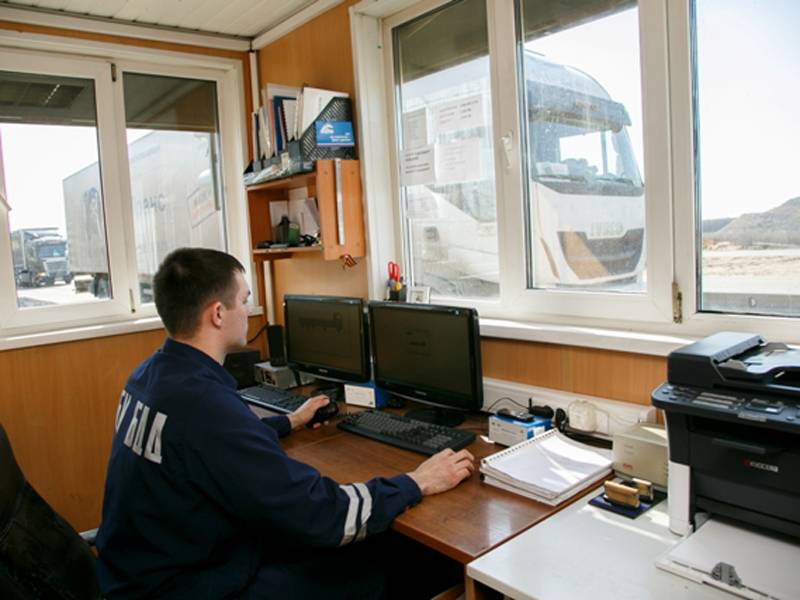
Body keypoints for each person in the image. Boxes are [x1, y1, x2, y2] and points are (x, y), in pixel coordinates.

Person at [95, 248, 475, 599]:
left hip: (137, 573)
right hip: (187, 587)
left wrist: (288, 421)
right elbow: (319, 513)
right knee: (375, 573)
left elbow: (204, 449)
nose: (248, 310)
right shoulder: (205, 407)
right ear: (217, 313)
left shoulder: (149, 376)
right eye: (244, 300)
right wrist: (416, 482)